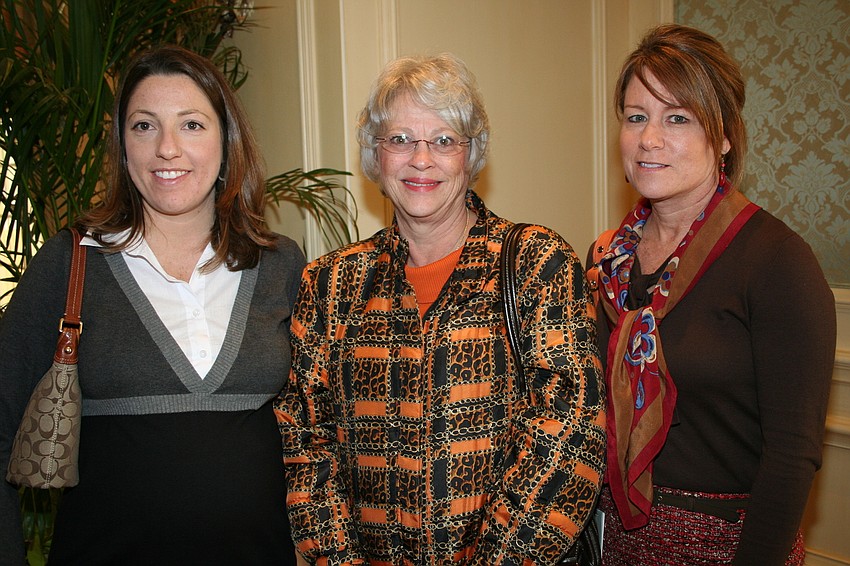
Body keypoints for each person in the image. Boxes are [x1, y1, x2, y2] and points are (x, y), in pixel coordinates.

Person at [274, 53, 605, 565]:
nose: (420, 159)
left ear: (471, 157)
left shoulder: (536, 262)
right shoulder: (331, 284)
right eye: (400, 139)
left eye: (444, 140)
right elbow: (307, 445)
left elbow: (570, 437)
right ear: (375, 155)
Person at [0, 46, 303, 564]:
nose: (167, 148)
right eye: (144, 126)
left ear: (226, 142)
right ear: (122, 144)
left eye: (191, 125)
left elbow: (314, 426)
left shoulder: (281, 264)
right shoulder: (71, 263)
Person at [588, 24, 836, 565]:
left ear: (722, 136)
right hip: (615, 542)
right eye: (636, 117)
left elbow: (792, 455)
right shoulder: (606, 261)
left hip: (726, 546)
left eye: (677, 117)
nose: (649, 138)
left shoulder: (776, 261)